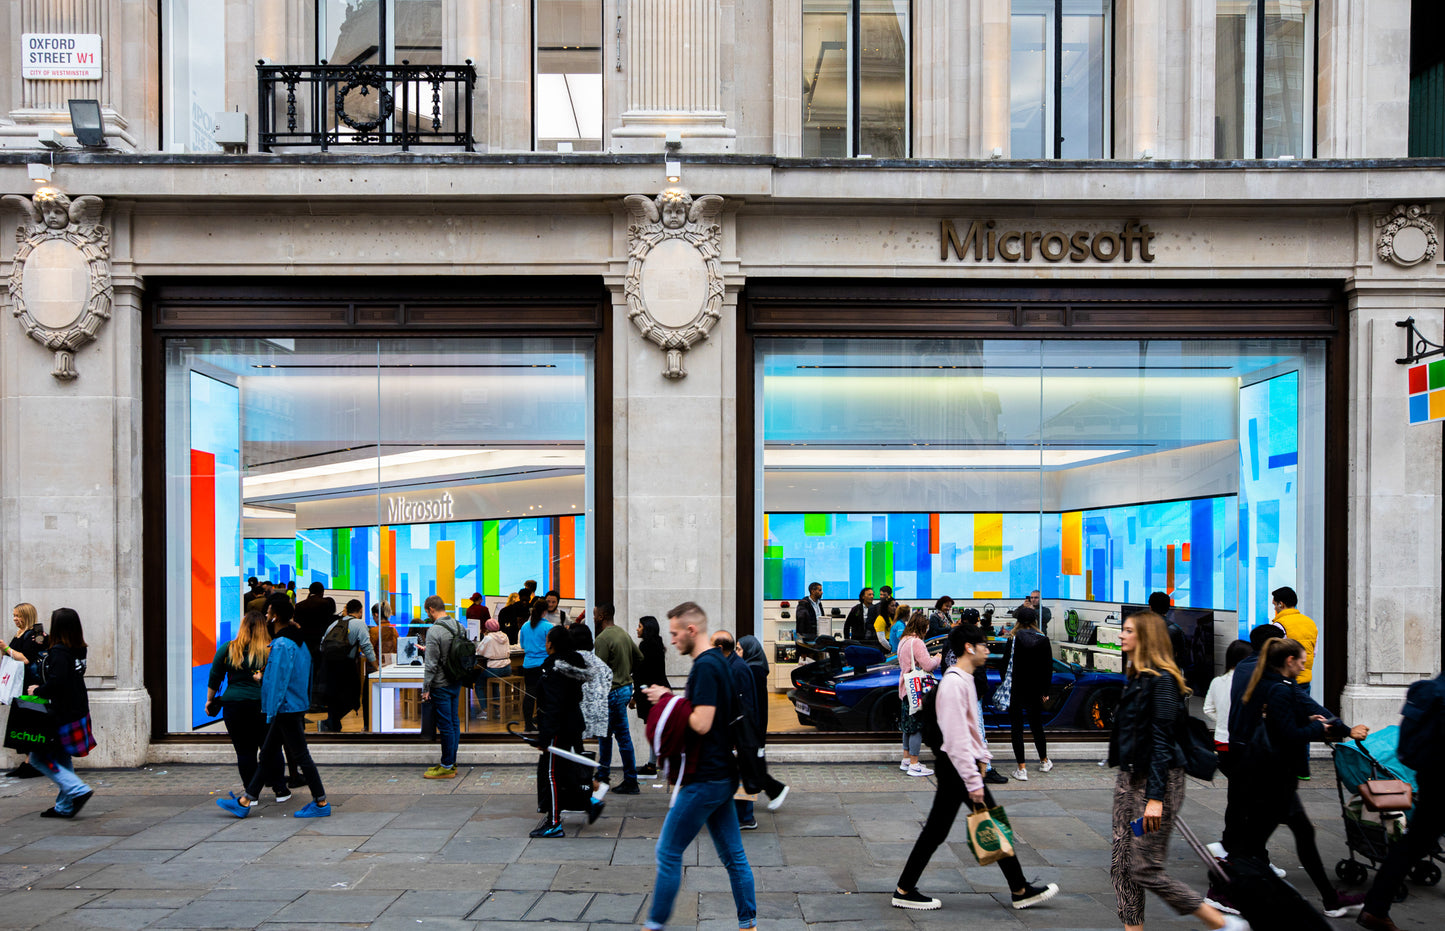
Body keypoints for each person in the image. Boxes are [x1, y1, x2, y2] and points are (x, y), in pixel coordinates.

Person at [892, 623, 1058, 911]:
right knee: (969, 826)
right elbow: (956, 739)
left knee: (960, 827)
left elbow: (971, 730)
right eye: (982, 644)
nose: (987, 648)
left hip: (961, 766)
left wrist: (983, 758)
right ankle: (1018, 889)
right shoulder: (955, 683)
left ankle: (1018, 888)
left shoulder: (964, 679)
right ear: (969, 648)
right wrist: (973, 781)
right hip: (956, 766)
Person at [1107, 610, 1245, 931]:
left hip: (1158, 782)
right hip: (1130, 780)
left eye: (1127, 631)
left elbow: (1161, 742)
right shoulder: (1138, 676)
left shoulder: (1163, 681)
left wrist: (1155, 799)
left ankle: (1219, 921)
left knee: (1144, 867)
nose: (1121, 635)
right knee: (1121, 865)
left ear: (1146, 637)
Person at [1223, 637, 1366, 918]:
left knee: (1279, 837)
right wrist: (1323, 731)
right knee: (1256, 844)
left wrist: (1319, 724)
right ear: (1289, 661)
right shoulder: (1280, 689)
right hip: (1275, 779)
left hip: (1266, 776)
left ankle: (1330, 898)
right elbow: (1287, 735)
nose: (1303, 666)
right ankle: (1225, 892)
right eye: (1301, 661)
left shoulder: (1258, 679)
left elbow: (1286, 722)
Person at [640, 602, 756, 931]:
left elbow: (701, 723)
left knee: (667, 852)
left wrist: (668, 699)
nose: (672, 640)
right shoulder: (718, 662)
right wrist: (672, 695)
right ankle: (749, 925)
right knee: (734, 857)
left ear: (692, 630)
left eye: (675, 633)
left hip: (704, 778)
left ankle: (653, 926)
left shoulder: (705, 666)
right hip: (721, 775)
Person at [216, 594, 329, 819]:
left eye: (268, 612)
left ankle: (321, 801)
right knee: (267, 753)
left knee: (301, 755)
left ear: (275, 615)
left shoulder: (281, 644)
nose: (266, 616)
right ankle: (245, 800)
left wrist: (268, 704)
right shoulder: (299, 641)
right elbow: (300, 674)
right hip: (294, 703)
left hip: (283, 707)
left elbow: (278, 681)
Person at [1357, 671, 1445, 931]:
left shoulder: (1427, 690)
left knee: (1412, 845)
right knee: (1414, 845)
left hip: (1431, 776)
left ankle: (1375, 908)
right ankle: (1374, 909)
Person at [206, 610, 289, 800]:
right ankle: (280, 790)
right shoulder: (270, 649)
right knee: (271, 748)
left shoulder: (229, 648)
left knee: (244, 751)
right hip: (263, 706)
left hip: (234, 706)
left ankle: (251, 794)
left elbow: (215, 676)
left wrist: (210, 700)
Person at [26, 608, 95, 819]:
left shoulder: (59, 652)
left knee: (38, 758)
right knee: (62, 757)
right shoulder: (77, 649)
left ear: (57, 627)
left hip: (61, 712)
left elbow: (57, 682)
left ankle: (77, 789)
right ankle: (64, 807)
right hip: (77, 709)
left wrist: (36, 690)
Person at [531, 625, 597, 838]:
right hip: (572, 723)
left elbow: (554, 705)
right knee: (572, 770)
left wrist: (545, 736)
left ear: (553, 643)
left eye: (548, 639)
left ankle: (553, 822)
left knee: (552, 774)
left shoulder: (555, 667)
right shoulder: (572, 661)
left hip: (559, 727)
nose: (546, 643)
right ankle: (590, 801)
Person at [735, 634, 789, 813]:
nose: (737, 653)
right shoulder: (754, 668)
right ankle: (774, 791)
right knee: (752, 766)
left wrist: (754, 730)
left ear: (750, 650)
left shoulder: (754, 671)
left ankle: (775, 790)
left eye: (739, 649)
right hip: (753, 726)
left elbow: (754, 704)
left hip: (753, 726)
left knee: (752, 767)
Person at [593, 603, 643, 795]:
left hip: (612, 691)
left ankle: (630, 780)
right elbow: (639, 658)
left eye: (596, 614)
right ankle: (603, 774)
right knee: (606, 735)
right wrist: (625, 672)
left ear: (602, 616)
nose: (594, 616)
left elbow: (599, 670)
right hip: (624, 689)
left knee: (620, 736)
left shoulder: (602, 639)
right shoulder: (622, 633)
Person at [1005, 605, 1052, 781]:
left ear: (1017, 622)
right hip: (1035, 690)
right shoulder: (1043, 639)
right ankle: (1044, 761)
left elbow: (1005, 665)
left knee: (1017, 728)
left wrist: (1006, 682)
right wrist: (1045, 690)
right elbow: (1048, 668)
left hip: (1016, 689)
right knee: (1036, 726)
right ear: (1034, 621)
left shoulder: (1013, 639)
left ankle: (1021, 769)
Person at [420, 595, 465, 779]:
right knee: (454, 722)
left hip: (440, 683)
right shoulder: (458, 626)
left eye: (427, 612)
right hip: (456, 680)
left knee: (445, 725)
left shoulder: (434, 631)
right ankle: (451, 762)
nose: (428, 616)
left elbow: (431, 664)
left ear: (431, 609)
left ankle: (446, 765)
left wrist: (425, 689)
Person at [320, 599, 377, 733]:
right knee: (353, 697)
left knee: (335, 697)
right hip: (347, 666)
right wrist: (376, 667)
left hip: (330, 666)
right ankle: (331, 722)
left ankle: (333, 725)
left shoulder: (335, 623)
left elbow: (323, 644)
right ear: (360, 611)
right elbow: (367, 646)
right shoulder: (359, 624)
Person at [3, 602, 47, 778]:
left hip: (30, 687)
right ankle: (29, 762)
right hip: (19, 686)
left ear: (27, 616)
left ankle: (32, 764)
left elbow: (26, 659)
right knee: (23, 725)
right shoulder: (21, 634)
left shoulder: (33, 636)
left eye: (18, 616)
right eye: (13, 615)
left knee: (30, 726)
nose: (15, 619)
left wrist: (5, 648)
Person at [896, 609, 939, 777]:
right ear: (922, 627)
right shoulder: (917, 642)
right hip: (916, 690)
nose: (927, 631)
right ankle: (914, 764)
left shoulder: (903, 641)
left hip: (905, 688)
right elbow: (928, 665)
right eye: (926, 628)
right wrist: (938, 658)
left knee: (907, 726)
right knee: (916, 728)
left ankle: (906, 759)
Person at [1201, 640, 1252, 776]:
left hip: (1221, 740)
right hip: (1243, 741)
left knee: (1233, 782)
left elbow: (1208, 709)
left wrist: (1224, 720)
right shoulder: (1248, 682)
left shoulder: (1217, 681)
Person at [568, 623, 612, 760]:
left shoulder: (571, 661)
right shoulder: (598, 662)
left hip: (574, 714)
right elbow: (608, 676)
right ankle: (602, 774)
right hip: (597, 713)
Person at [633, 615, 670, 777]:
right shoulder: (656, 645)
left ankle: (652, 765)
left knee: (654, 730)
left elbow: (641, 674)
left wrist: (635, 695)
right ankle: (652, 764)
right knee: (655, 729)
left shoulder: (646, 646)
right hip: (658, 691)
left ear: (646, 628)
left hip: (651, 694)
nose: (637, 629)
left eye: (640, 626)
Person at [1270, 586, 1318, 688]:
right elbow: (1313, 652)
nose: (1274, 608)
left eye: (1274, 604)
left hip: (1287, 681)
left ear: (1281, 604)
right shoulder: (1310, 623)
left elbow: (1276, 655)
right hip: (1305, 680)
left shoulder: (1280, 625)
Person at [519, 597, 554, 730]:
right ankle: (542, 722)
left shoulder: (525, 626)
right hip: (543, 665)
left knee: (529, 694)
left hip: (528, 665)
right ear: (545, 612)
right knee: (543, 695)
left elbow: (522, 644)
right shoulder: (548, 627)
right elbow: (551, 647)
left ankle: (528, 724)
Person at [475, 618, 512, 718]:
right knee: (495, 684)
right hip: (507, 667)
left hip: (494, 668)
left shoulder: (488, 638)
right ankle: (498, 709)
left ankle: (485, 710)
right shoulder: (505, 636)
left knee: (478, 685)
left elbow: (479, 651)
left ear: (487, 628)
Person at [1147, 592, 1187, 672]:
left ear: (1150, 607)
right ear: (1168, 608)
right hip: (1170, 672)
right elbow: (1182, 657)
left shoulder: (1140, 628)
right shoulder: (1176, 630)